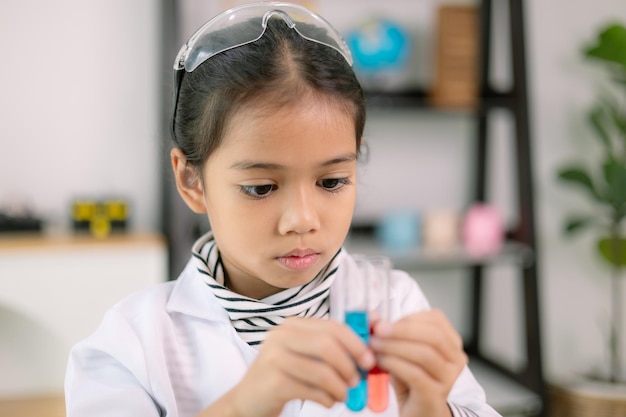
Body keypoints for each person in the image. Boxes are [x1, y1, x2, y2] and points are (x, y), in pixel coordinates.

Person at [65, 3, 502, 417]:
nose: (303, 220)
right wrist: (244, 405)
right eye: (260, 187)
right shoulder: (133, 342)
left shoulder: (395, 304)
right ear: (190, 180)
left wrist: (432, 408)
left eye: (331, 182)